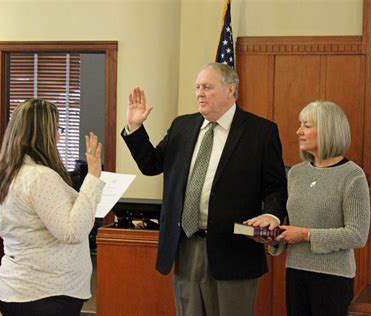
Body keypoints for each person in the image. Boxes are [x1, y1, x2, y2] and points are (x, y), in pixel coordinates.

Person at [121, 63, 287, 315]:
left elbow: (276, 186)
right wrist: (135, 128)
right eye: (197, 87)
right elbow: (151, 164)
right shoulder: (183, 126)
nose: (199, 93)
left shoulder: (260, 132)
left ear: (231, 90)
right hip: (186, 243)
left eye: (207, 87)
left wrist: (272, 215)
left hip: (234, 248)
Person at [0, 99, 105, 316]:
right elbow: (73, 232)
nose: (59, 135)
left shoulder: (8, 173)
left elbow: (4, 229)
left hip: (18, 288)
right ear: (43, 133)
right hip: (45, 293)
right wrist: (93, 176)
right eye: (56, 129)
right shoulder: (40, 177)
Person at [265, 101, 370, 316]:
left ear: (328, 131)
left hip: (333, 278)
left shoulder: (353, 176)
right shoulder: (296, 173)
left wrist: (305, 235)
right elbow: (292, 226)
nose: (299, 131)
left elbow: (357, 235)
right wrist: (275, 238)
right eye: (300, 125)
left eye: (307, 126)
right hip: (296, 273)